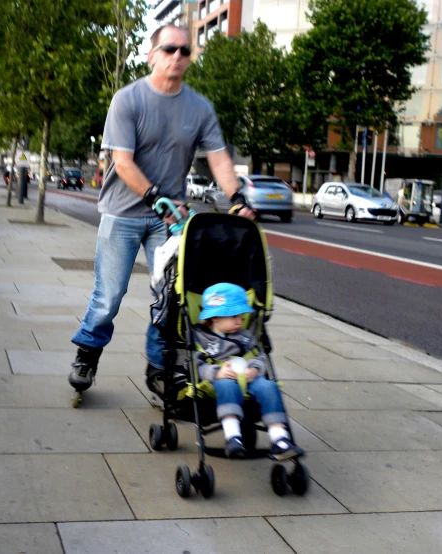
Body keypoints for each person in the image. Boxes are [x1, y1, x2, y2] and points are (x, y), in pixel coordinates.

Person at [68, 24, 255, 396]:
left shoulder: (199, 108)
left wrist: (237, 197)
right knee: (109, 295)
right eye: (170, 49)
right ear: (152, 54)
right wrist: (155, 197)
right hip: (123, 213)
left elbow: (218, 158)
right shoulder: (128, 99)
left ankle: (161, 369)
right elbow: (122, 162)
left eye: (185, 51)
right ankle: (87, 354)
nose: (177, 57)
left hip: (169, 222)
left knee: (171, 297)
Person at [193, 282, 303, 460]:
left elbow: (258, 356)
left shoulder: (245, 336)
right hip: (221, 378)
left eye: (242, 316)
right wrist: (216, 372)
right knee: (227, 386)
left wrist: (255, 369)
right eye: (234, 316)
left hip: (249, 376)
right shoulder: (201, 338)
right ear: (215, 317)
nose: (240, 321)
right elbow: (196, 365)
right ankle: (232, 436)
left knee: (269, 387)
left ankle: (279, 440)